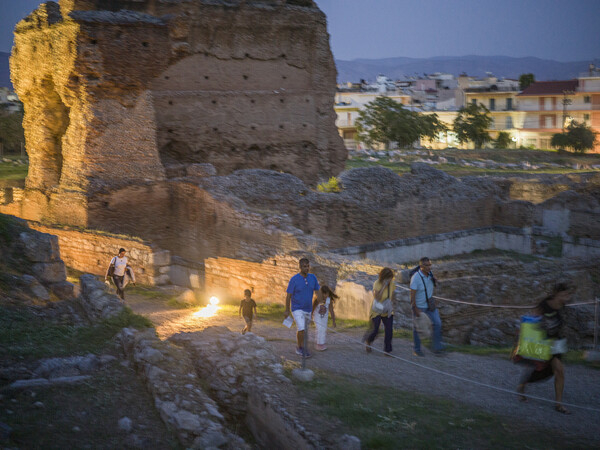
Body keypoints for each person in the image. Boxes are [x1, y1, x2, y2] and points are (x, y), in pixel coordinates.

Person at [515, 283, 573, 414]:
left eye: (568, 294)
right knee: (546, 370)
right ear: (556, 294)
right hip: (544, 342)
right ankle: (522, 385)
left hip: (556, 343)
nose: (567, 297)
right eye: (564, 294)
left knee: (558, 371)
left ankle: (558, 404)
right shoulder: (544, 305)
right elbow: (532, 322)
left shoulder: (563, 306)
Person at [285, 258, 321, 358]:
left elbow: (318, 292)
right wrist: (287, 309)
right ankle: (300, 347)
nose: (306, 268)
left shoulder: (313, 278)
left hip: (308, 309)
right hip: (297, 308)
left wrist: (322, 305)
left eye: (308, 266)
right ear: (300, 267)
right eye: (304, 266)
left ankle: (301, 346)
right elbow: (288, 295)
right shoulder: (294, 279)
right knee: (301, 327)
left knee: (304, 330)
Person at [410, 257, 444, 356]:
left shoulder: (430, 274)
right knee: (418, 328)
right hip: (419, 306)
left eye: (430, 265)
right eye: (427, 265)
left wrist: (435, 281)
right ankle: (417, 350)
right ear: (421, 266)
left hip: (430, 305)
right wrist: (415, 308)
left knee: (437, 323)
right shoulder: (415, 278)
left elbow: (432, 286)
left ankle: (437, 347)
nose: (429, 267)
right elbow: (412, 294)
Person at [364, 267, 395, 355]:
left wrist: (391, 305)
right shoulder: (377, 283)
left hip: (386, 309)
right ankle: (369, 340)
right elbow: (377, 297)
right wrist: (384, 286)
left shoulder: (392, 284)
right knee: (375, 329)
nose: (390, 280)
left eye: (391, 278)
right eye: (389, 278)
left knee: (389, 329)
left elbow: (392, 296)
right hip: (377, 309)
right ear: (384, 277)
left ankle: (387, 350)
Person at [312, 285, 338, 351]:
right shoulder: (318, 299)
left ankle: (322, 343)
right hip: (317, 316)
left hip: (324, 318)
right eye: (324, 293)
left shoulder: (329, 300)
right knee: (319, 328)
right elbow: (313, 308)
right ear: (321, 293)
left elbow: (331, 311)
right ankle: (318, 343)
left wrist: (333, 321)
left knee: (323, 329)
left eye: (326, 293)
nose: (325, 295)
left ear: (328, 293)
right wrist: (310, 315)